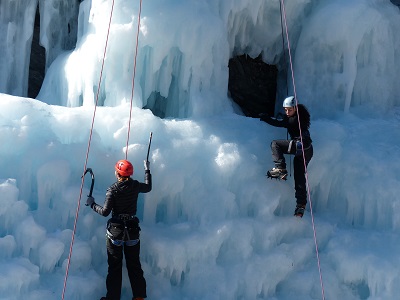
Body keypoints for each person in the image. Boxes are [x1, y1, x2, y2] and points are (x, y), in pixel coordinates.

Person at [86, 159, 152, 300]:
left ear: (117, 173)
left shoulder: (113, 189)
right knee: (134, 265)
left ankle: (113, 298)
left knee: (115, 267)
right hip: (132, 231)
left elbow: (104, 212)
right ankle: (139, 297)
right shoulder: (135, 185)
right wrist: (147, 170)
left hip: (116, 232)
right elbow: (148, 187)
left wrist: (92, 204)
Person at [259, 96, 313, 217]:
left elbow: (279, 123)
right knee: (299, 178)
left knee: (275, 144)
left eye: (290, 110)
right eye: (286, 110)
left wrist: (266, 118)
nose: (287, 112)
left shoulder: (294, 120)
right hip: (308, 150)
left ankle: (280, 168)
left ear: (295, 108)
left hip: (300, 146)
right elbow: (287, 121)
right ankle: (301, 206)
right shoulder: (301, 116)